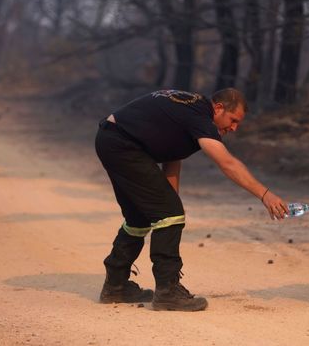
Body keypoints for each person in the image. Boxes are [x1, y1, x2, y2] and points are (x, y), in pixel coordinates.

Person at [95, 88, 289, 311]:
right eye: (233, 120)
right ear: (218, 108)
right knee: (168, 213)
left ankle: (115, 286)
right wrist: (265, 195)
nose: (234, 128)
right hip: (123, 145)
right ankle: (168, 292)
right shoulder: (200, 117)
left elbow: (171, 155)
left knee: (139, 218)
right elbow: (227, 163)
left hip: (112, 139)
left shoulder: (188, 110)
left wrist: (169, 203)